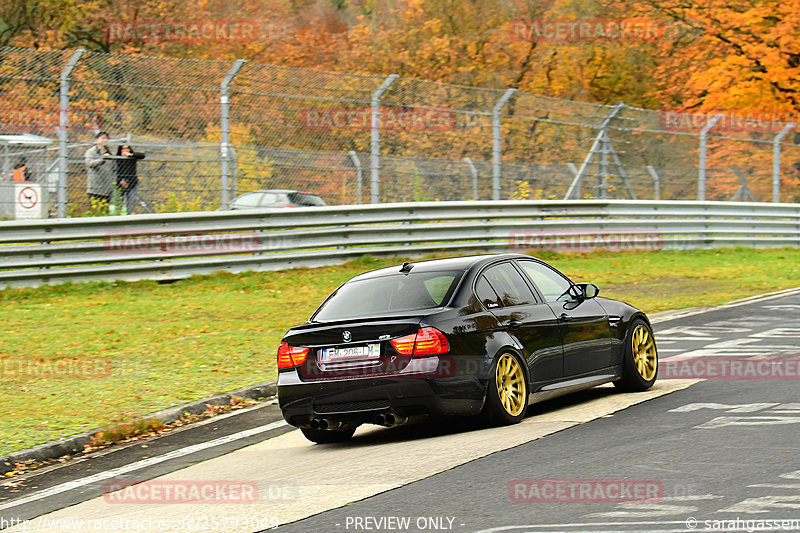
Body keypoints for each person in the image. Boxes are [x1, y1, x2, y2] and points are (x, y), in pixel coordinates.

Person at [84, 131, 114, 204]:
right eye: (103, 138)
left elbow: (114, 170)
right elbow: (89, 163)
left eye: (107, 138)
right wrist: (102, 160)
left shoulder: (111, 153)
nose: (105, 140)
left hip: (108, 190)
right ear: (97, 140)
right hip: (95, 189)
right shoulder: (91, 152)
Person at [115, 144, 145, 214]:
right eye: (123, 149)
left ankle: (129, 217)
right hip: (120, 183)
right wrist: (121, 181)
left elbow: (142, 155)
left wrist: (131, 155)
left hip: (132, 183)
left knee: (130, 205)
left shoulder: (132, 157)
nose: (125, 150)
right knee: (118, 204)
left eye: (127, 148)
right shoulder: (118, 159)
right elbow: (117, 172)